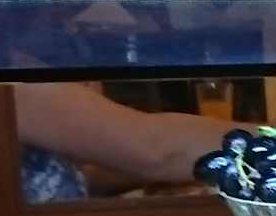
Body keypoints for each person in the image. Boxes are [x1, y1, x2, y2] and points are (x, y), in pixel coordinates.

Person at [13, 82, 228, 202]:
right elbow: (155, 149)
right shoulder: (17, 84)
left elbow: (56, 180)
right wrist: (252, 139)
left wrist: (170, 176)